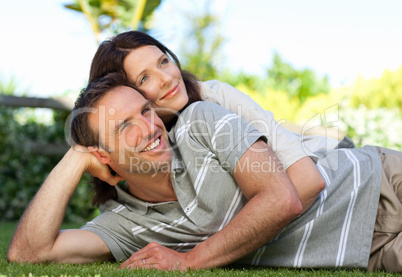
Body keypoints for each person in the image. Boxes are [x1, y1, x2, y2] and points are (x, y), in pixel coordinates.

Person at [8, 73, 402, 272]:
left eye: (145, 111)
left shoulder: (201, 122)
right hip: (367, 251)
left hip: (378, 179)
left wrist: (190, 261)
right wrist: (74, 158)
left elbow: (281, 198)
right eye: (123, 126)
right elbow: (27, 254)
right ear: (103, 157)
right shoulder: (123, 227)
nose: (148, 128)